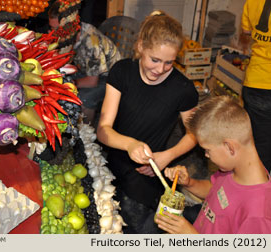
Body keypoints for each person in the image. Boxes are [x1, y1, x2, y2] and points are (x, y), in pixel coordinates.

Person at [96, 11, 199, 234]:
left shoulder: (183, 89)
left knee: (137, 228)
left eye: (169, 63)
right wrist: (130, 144)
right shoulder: (122, 72)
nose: (160, 69)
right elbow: (103, 131)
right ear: (141, 46)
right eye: (155, 60)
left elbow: (195, 134)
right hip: (111, 167)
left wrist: (167, 156)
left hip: (149, 176)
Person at [155, 96, 271, 234]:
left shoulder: (258, 214)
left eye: (207, 150)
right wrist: (189, 183)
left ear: (229, 147)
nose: (206, 155)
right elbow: (215, 191)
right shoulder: (233, 169)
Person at [48, 1, 122, 125]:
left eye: (57, 29)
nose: (53, 33)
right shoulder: (67, 36)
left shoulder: (90, 42)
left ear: (71, 26)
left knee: (83, 98)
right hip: (86, 71)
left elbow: (92, 82)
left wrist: (69, 84)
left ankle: (86, 134)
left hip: (111, 78)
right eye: (51, 28)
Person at [239, 0, 271, 173]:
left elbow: (246, 31)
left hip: (257, 80)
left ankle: (255, 187)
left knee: (257, 143)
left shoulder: (252, 1)